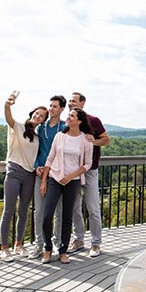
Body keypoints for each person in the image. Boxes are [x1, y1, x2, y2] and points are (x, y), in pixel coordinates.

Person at [40, 108, 93, 264]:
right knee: (47, 215)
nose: (68, 118)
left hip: (73, 182)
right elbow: (50, 159)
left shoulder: (85, 140)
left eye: (72, 116)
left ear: (79, 121)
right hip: (54, 179)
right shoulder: (60, 136)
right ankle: (47, 248)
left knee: (67, 217)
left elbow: (88, 164)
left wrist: (71, 176)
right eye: (69, 115)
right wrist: (44, 181)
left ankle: (63, 251)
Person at [0, 91, 48, 262]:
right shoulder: (18, 127)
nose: (38, 116)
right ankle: (4, 248)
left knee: (23, 211)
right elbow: (8, 118)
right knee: (9, 210)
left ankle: (18, 244)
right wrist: (7, 105)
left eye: (42, 116)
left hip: (29, 175)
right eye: (37, 113)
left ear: (43, 120)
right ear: (32, 113)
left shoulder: (37, 137)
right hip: (14, 172)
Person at [67, 92, 110, 258]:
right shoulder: (69, 122)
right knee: (75, 207)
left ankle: (95, 243)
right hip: (73, 171)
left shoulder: (93, 120)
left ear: (83, 103)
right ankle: (78, 240)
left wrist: (94, 141)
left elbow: (106, 140)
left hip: (90, 170)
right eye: (69, 101)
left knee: (92, 207)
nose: (71, 103)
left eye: (74, 101)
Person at [28, 95, 67, 259]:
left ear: (62, 109)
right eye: (50, 106)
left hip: (57, 176)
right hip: (40, 173)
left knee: (59, 212)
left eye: (55, 106)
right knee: (39, 211)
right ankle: (39, 244)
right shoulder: (40, 128)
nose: (51, 109)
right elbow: (35, 149)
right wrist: (37, 166)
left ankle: (57, 244)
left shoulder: (65, 127)